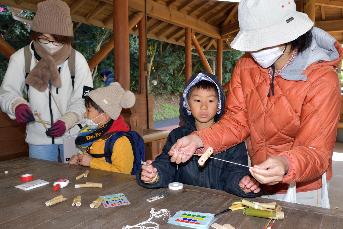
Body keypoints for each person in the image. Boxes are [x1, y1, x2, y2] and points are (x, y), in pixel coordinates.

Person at [168, 0, 343, 208]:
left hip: (303, 186)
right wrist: (198, 139)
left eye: (263, 40)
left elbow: (316, 151)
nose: (256, 49)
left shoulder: (322, 78)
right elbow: (236, 122)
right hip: (257, 178)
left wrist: (286, 163)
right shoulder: (245, 66)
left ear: (289, 33)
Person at [137, 72, 260, 197]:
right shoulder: (177, 136)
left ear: (219, 105)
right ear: (187, 105)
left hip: (220, 203)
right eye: (197, 100)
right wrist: (154, 175)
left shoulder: (232, 139)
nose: (204, 106)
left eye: (211, 100)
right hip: (183, 201)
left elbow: (236, 172)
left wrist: (241, 183)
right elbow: (166, 165)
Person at [0, 0, 93, 162]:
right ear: (36, 34)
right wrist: (16, 105)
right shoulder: (22, 58)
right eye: (44, 38)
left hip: (72, 136)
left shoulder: (77, 60)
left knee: (74, 182)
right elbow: (7, 92)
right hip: (38, 140)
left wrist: (67, 121)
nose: (51, 45)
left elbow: (84, 99)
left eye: (57, 40)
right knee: (42, 183)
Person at [69, 82, 137, 174]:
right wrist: (79, 159)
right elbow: (96, 157)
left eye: (88, 110)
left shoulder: (120, 141)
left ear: (104, 116)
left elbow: (123, 173)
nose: (85, 114)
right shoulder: (97, 132)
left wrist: (91, 162)